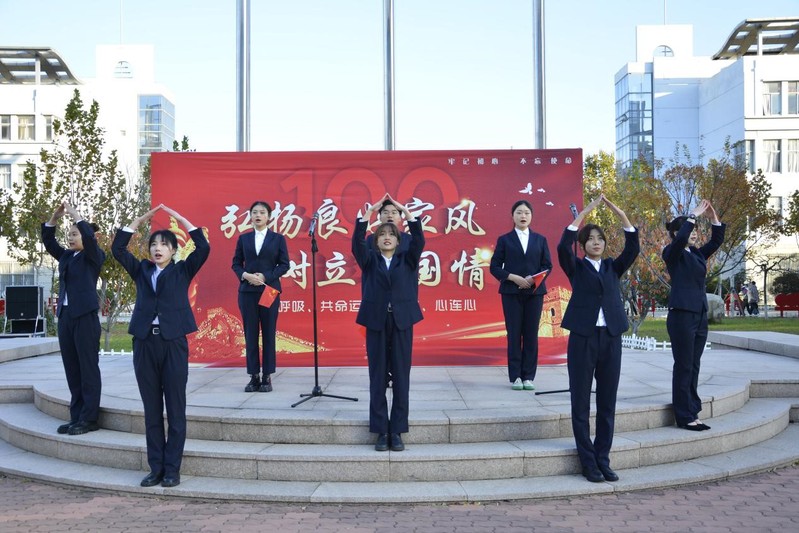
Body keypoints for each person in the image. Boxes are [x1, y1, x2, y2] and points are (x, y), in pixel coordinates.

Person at [112, 204, 210, 488]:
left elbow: (203, 248)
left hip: (173, 343)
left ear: (173, 250)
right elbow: (118, 249)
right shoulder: (141, 270)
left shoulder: (182, 270)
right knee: (152, 409)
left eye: (164, 244)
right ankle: (155, 468)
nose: (157, 249)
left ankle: (172, 470)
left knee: (175, 408)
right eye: (154, 244)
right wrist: (139, 220)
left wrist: (181, 219)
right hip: (145, 343)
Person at [557, 195, 639, 483]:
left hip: (611, 338)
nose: (596, 242)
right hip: (583, 338)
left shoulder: (612, 267)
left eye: (600, 239)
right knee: (580, 402)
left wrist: (621, 214)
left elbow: (633, 247)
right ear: (583, 245)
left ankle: (603, 459)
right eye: (590, 239)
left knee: (607, 402)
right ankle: (588, 462)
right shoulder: (576, 267)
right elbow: (562, 247)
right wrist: (586, 212)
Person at [352, 194, 424, 452]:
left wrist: (406, 211)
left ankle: (397, 430)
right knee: (378, 375)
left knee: (402, 376)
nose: (386, 237)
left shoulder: (408, 259)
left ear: (398, 239)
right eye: (381, 234)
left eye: (391, 235)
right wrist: (368, 213)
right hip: (377, 321)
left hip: (402, 321)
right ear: (376, 239)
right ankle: (381, 430)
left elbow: (419, 240)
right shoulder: (370, 260)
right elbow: (357, 243)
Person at [41, 201, 105, 436]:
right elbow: (49, 242)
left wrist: (76, 215)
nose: (70, 237)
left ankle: (89, 418)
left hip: (85, 317)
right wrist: (54, 218)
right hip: (66, 316)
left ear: (87, 237)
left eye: (75, 233)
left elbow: (89, 238)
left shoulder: (94, 256)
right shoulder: (67, 257)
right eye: (69, 234)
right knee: (72, 368)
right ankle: (76, 416)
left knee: (88, 368)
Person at [662, 199, 725, 432]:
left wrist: (714, 219)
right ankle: (684, 416)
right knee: (684, 365)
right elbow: (679, 241)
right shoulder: (672, 253)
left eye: (696, 230)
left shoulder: (696, 254)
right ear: (676, 233)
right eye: (691, 230)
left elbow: (716, 241)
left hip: (699, 314)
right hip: (681, 315)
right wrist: (692, 216)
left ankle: (692, 410)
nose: (695, 233)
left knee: (694, 364)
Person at [489, 200, 553, 390]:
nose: (523, 216)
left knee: (531, 334)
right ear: (512, 216)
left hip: (535, 292)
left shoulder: (540, 240)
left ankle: (528, 377)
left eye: (526, 212)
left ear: (531, 216)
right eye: (519, 212)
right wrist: (513, 277)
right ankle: (516, 376)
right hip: (511, 292)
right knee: (514, 334)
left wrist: (534, 279)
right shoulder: (505, 240)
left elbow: (547, 265)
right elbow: (494, 267)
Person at [231, 201, 290, 393]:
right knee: (250, 334)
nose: (258, 215)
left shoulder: (278, 239)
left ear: (269, 217)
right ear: (250, 216)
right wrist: (245, 275)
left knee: (268, 333)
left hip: (268, 291)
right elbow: (236, 264)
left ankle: (267, 376)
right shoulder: (244, 239)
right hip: (247, 292)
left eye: (262, 212)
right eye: (254, 212)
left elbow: (284, 265)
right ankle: (253, 376)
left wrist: (265, 276)